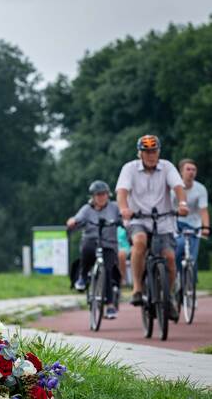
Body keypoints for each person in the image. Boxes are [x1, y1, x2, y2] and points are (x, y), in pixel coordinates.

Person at [116, 135, 189, 318]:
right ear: (140, 153)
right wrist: (124, 209)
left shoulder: (167, 167)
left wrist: (182, 204)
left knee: (170, 258)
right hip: (138, 219)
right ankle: (137, 288)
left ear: (159, 152)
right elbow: (122, 191)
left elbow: (178, 187)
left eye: (154, 151)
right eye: (147, 152)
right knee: (140, 242)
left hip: (163, 220)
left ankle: (168, 296)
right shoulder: (129, 168)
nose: (151, 155)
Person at [66, 180, 122, 319]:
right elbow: (77, 218)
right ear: (93, 196)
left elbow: (124, 217)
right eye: (98, 195)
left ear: (108, 195)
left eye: (104, 194)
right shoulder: (87, 209)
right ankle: (82, 277)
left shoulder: (114, 207)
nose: (101, 197)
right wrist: (73, 221)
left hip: (109, 244)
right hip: (91, 241)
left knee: (108, 271)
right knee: (86, 249)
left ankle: (110, 306)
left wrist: (126, 220)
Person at [172, 158, 210, 283]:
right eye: (188, 169)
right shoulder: (174, 188)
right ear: (181, 172)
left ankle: (190, 283)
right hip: (176, 223)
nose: (191, 172)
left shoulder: (200, 189)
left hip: (194, 225)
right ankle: (176, 277)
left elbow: (203, 210)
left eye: (194, 170)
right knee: (177, 249)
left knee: (192, 256)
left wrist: (206, 227)